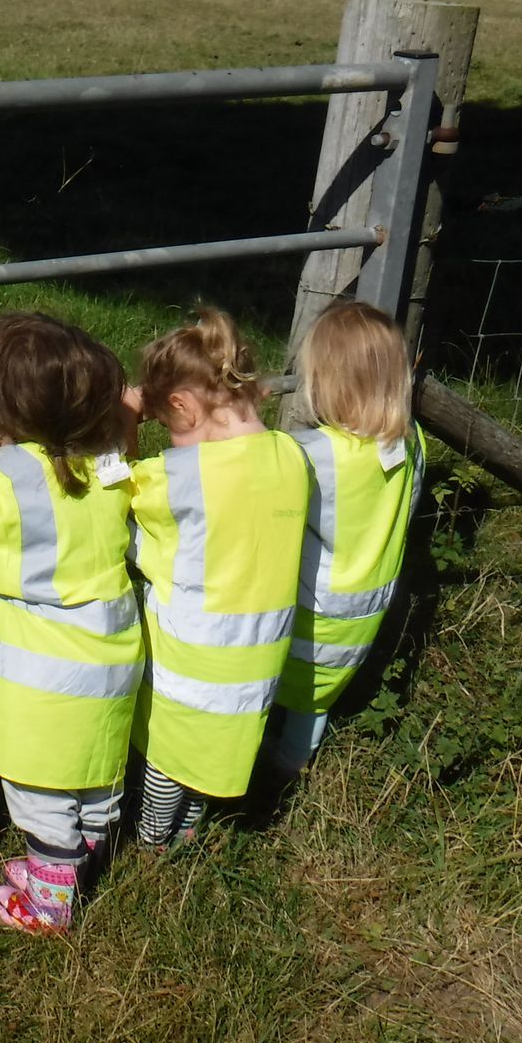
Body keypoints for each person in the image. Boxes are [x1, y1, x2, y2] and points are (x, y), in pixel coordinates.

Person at [0, 313, 140, 933]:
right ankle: (85, 855)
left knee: (41, 789)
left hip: (38, 677)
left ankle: (51, 902)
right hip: (108, 653)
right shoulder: (106, 466)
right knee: (93, 773)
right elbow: (127, 483)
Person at [127, 307, 311, 849]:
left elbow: (123, 499)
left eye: (165, 424)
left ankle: (154, 841)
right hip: (258, 651)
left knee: (169, 754)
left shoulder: (178, 476)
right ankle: (191, 826)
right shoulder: (291, 456)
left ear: (181, 406)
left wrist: (126, 425)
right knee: (219, 746)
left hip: (193, 653)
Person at [267, 300, 425, 774]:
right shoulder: (413, 443)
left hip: (309, 611)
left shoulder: (312, 454)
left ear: (327, 383)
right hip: (367, 609)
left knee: (272, 683)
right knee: (314, 700)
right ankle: (294, 761)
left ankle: (256, 769)